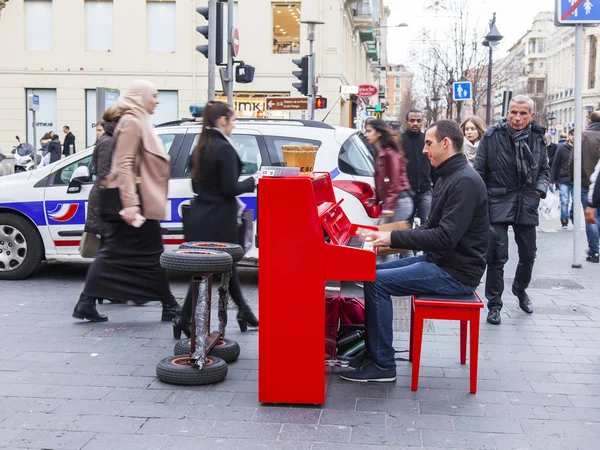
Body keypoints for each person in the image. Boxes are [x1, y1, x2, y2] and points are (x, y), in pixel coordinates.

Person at [338, 120, 489, 382]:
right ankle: (374, 351)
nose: (423, 149)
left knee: (377, 281)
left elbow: (443, 237)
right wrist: (385, 241)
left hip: (455, 272)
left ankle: (383, 365)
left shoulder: (464, 181)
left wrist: (391, 235)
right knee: (369, 270)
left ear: (446, 143)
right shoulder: (449, 176)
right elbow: (429, 229)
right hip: (442, 262)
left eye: (429, 144)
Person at [72, 80, 180, 322]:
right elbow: (124, 164)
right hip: (135, 202)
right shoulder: (132, 122)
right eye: (153, 95)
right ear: (140, 97)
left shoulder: (138, 120)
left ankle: (87, 302)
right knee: (144, 254)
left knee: (125, 254)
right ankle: (169, 306)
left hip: (139, 201)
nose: (157, 100)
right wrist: (131, 204)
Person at [173, 101, 258, 338]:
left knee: (213, 269)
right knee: (218, 268)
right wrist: (253, 181)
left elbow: (195, 184)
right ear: (222, 120)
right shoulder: (224, 148)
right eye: (233, 120)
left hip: (201, 216)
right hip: (220, 218)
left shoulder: (200, 146)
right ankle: (185, 317)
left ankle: (243, 311)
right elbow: (231, 187)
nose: (233, 125)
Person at [474, 95, 550, 325]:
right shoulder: (492, 136)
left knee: (528, 254)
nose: (517, 118)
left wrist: (539, 190)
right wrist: (484, 199)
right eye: (513, 112)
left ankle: (520, 289)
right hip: (497, 200)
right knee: (497, 255)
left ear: (531, 116)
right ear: (507, 113)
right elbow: (479, 171)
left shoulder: (538, 137)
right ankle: (494, 304)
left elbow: (545, 170)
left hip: (526, 201)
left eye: (522, 113)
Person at [363, 118, 413, 224]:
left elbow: (395, 183)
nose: (365, 135)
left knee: (390, 237)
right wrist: (376, 198)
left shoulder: (390, 154)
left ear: (379, 133)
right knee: (388, 237)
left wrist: (389, 207)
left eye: (369, 131)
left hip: (399, 203)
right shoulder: (379, 153)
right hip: (394, 203)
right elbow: (381, 182)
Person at [84, 106, 120, 240]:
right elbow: (105, 174)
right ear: (116, 121)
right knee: (107, 247)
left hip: (106, 200)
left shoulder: (110, 139)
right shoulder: (108, 141)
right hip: (105, 201)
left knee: (109, 248)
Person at [573, 111, 600, 263]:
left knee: (590, 217)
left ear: (590, 121)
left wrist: (573, 180)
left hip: (586, 184)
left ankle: (594, 251)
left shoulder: (583, 137)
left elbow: (574, 160)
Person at [401, 110, 435, 226]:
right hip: (406, 193)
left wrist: (437, 187)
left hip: (425, 191)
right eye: (412, 120)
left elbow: (434, 164)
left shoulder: (428, 140)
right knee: (406, 226)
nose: (415, 123)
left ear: (422, 122)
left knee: (428, 223)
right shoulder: (399, 141)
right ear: (406, 122)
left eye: (418, 121)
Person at [551, 129, 574, 229]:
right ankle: (564, 220)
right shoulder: (562, 148)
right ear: (569, 136)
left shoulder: (581, 147)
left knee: (576, 201)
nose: (574, 137)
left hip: (577, 180)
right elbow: (555, 164)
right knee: (564, 201)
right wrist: (552, 179)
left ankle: (573, 216)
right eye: (572, 135)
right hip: (564, 178)